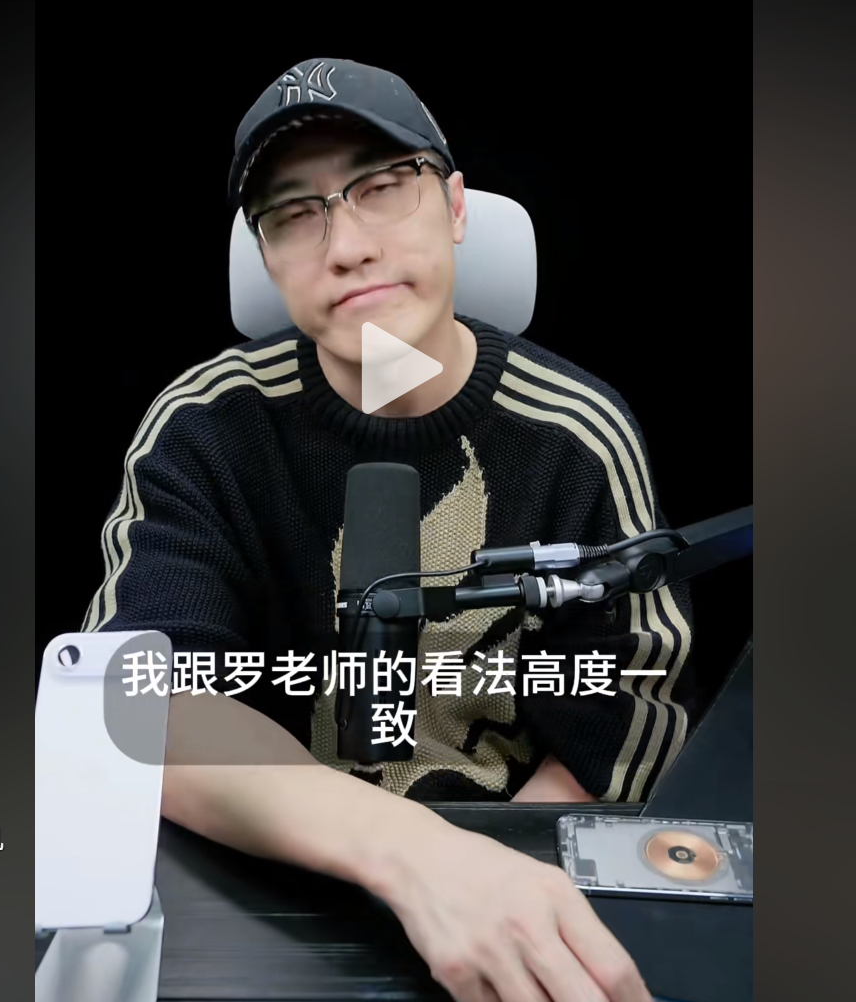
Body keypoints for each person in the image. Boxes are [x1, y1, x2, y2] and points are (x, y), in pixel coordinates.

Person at [79, 57, 692, 1002]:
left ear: (455, 206)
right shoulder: (205, 428)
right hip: (268, 890)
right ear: (265, 256)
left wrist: (497, 894)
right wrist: (415, 861)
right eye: (295, 214)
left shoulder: (575, 437)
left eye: (382, 187)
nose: (348, 247)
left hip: (518, 875)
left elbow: (622, 719)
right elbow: (139, 702)